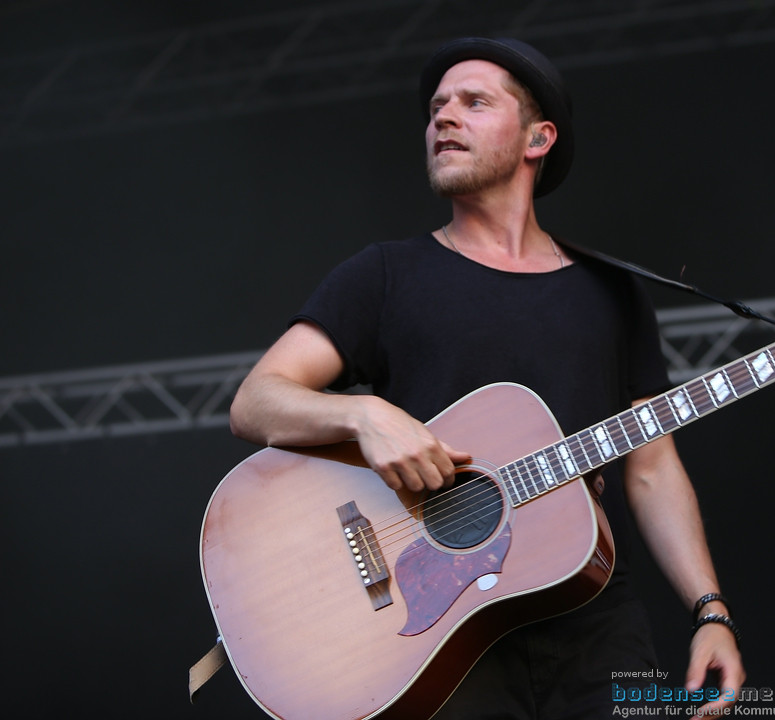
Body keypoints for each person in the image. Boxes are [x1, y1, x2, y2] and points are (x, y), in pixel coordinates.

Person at [229, 36, 744, 719]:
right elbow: (255, 401)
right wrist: (363, 415)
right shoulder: (384, 274)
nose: (443, 117)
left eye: (473, 103)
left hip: (592, 617)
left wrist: (711, 610)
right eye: (437, 107)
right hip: (442, 636)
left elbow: (651, 467)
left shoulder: (612, 292)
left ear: (539, 139)